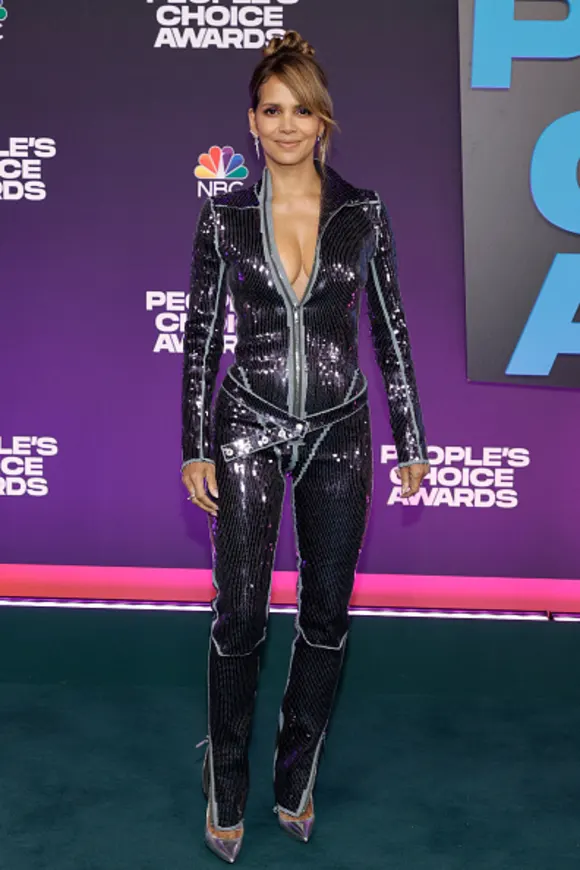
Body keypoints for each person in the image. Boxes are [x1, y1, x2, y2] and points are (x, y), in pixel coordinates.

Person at [181, 30, 430, 864]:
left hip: (341, 430)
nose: (287, 126)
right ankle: (226, 780)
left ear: (324, 121)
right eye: (272, 110)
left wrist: (411, 438)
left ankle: (295, 776)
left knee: (326, 613)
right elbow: (198, 338)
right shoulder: (223, 215)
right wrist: (195, 446)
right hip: (245, 424)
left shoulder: (364, 212)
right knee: (241, 614)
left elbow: (391, 329)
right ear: (252, 122)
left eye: (302, 111)